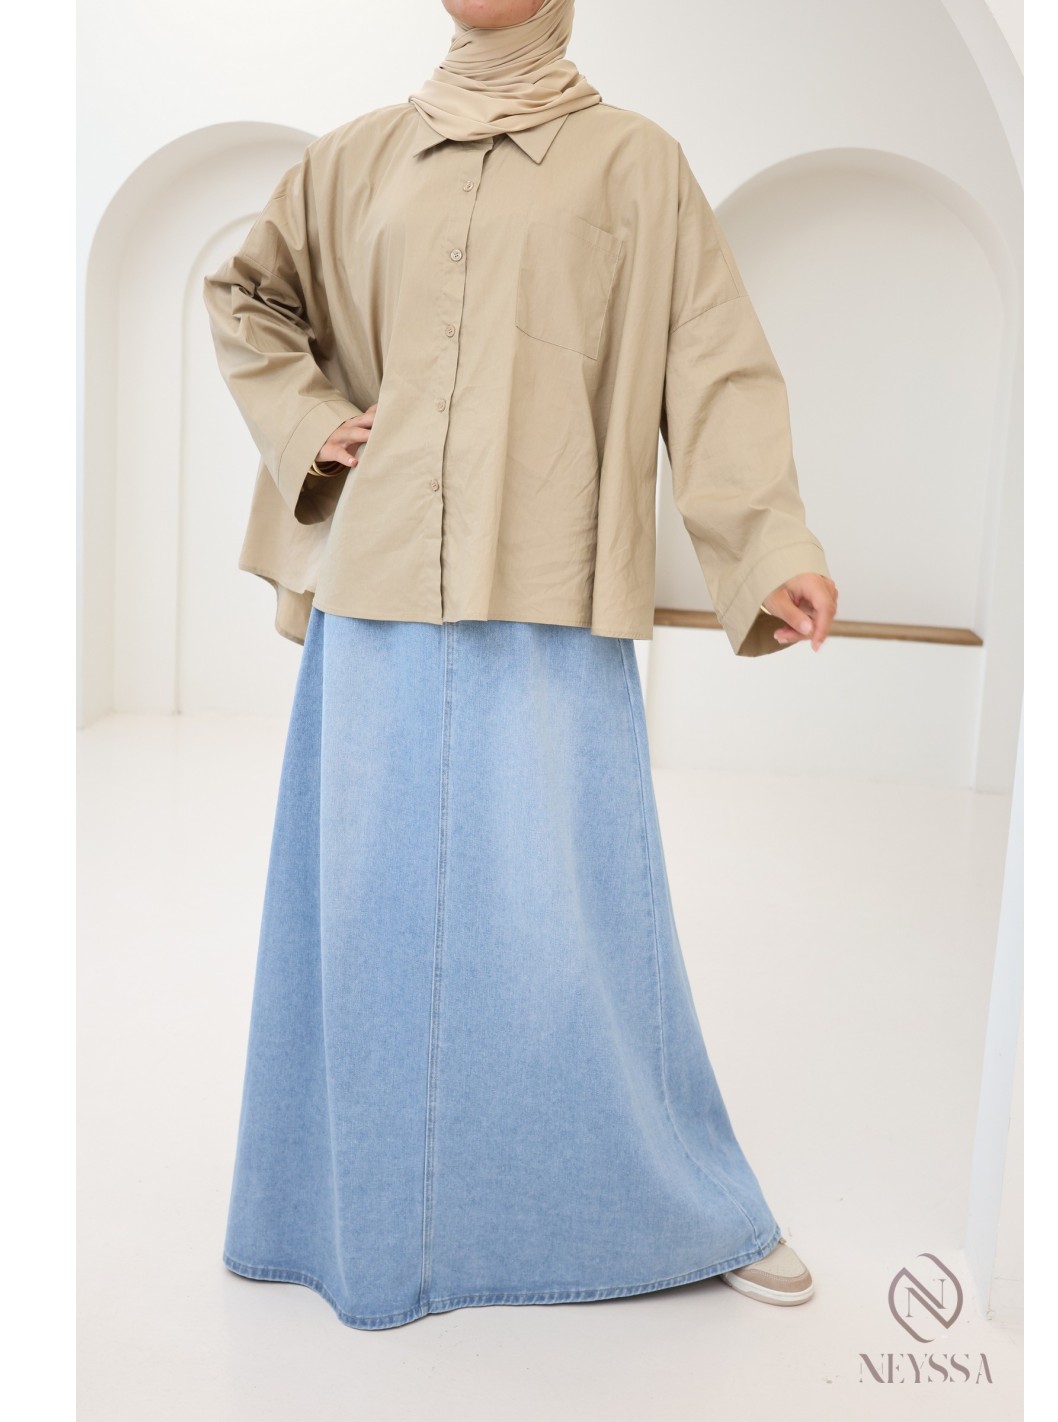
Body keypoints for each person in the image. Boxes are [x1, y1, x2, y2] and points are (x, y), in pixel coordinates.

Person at [202, 0, 838, 1333]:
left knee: (572, 915)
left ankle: (672, 1203)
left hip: (550, 578)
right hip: (379, 586)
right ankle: (351, 1213)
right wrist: (313, 423)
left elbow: (713, 362)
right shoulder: (354, 158)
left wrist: (766, 543)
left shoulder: (636, 163)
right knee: (369, 912)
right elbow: (247, 294)